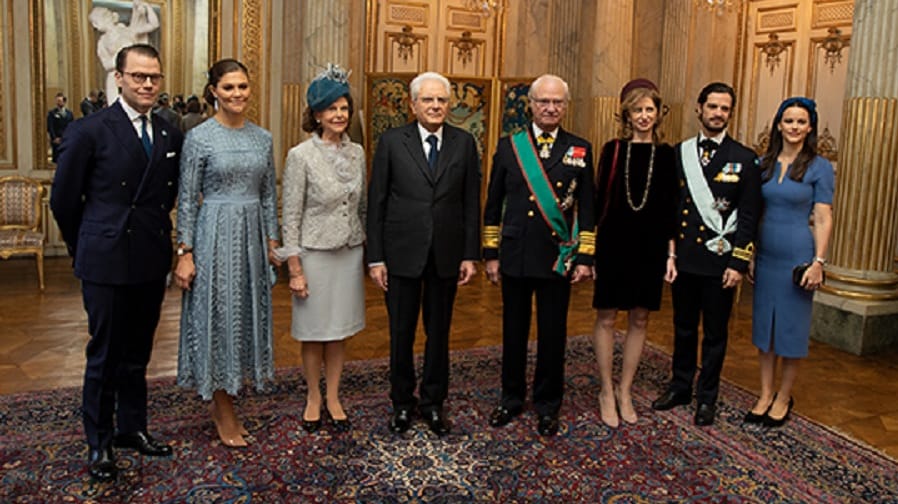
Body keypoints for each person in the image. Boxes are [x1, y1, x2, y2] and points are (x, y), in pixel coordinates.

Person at [50, 44, 181, 483]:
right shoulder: (90, 130)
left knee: (138, 352)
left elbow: (165, 197)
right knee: (104, 354)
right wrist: (85, 244)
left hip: (148, 256)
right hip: (105, 258)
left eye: (155, 78)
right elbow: (64, 200)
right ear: (119, 78)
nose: (147, 84)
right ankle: (99, 441)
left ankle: (132, 428)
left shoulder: (167, 132)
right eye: (139, 76)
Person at [367, 71, 481, 436]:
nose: (435, 106)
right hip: (400, 255)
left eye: (442, 100)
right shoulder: (391, 141)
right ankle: (402, 404)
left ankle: (433, 403)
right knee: (401, 334)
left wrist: (470, 254)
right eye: (428, 100)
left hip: (446, 256)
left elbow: (470, 203)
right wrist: (376, 257)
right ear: (413, 104)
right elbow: (377, 202)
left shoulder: (464, 143)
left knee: (439, 334)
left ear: (450, 105)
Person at [174, 58, 280, 448]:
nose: (237, 94)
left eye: (243, 87)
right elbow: (186, 199)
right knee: (218, 317)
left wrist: (272, 243)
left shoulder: (263, 138)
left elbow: (269, 194)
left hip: (252, 237)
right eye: (229, 87)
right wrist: (184, 251)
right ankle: (222, 408)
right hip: (213, 235)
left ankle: (230, 394)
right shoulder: (199, 138)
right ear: (214, 92)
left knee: (244, 316)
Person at [483, 74, 596, 436]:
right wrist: (490, 251)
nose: (550, 108)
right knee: (513, 331)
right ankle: (511, 398)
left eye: (557, 102)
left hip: (556, 257)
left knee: (553, 334)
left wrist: (585, 256)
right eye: (543, 102)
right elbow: (493, 202)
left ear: (566, 106)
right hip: (515, 253)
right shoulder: (509, 146)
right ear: (530, 104)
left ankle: (548, 403)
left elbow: (588, 206)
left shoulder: (580, 148)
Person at [651, 82, 761, 426]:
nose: (717, 113)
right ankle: (680, 386)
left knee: (715, 333)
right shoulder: (678, 153)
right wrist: (669, 255)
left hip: (720, 261)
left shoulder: (744, 159)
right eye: (712, 106)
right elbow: (670, 208)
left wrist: (739, 262)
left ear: (731, 113)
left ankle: (707, 397)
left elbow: (749, 215)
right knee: (683, 327)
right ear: (699, 108)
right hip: (685, 258)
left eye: (724, 108)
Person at [278, 64, 366, 433]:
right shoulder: (301, 156)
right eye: (332, 109)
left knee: (339, 330)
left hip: (349, 252)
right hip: (313, 255)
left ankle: (334, 395)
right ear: (317, 114)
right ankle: (313, 396)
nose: (340, 115)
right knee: (314, 331)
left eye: (344, 108)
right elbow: (290, 214)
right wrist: (294, 268)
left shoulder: (359, 153)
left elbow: (362, 206)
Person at [590, 79, 678, 428]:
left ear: (658, 114)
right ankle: (605, 391)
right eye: (637, 110)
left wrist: (671, 254)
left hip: (651, 246)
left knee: (640, 318)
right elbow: (599, 202)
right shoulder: (612, 150)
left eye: (649, 110)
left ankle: (625, 389)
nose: (644, 116)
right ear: (626, 114)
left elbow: (672, 207)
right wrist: (591, 251)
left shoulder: (668, 154)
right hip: (613, 243)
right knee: (607, 317)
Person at [745, 97, 833, 427]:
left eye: (801, 122)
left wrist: (818, 262)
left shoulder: (819, 167)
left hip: (798, 255)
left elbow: (823, 217)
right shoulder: (763, 163)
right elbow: (754, 211)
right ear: (778, 124)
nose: (794, 127)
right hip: (765, 254)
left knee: (791, 330)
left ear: (810, 127)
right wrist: (750, 254)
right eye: (789, 121)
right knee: (764, 328)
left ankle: (784, 395)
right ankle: (765, 393)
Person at [89, 0, 159, 105]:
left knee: (136, 107)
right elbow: (106, 65)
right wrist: (121, 56)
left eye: (98, 21)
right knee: (115, 111)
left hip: (134, 75)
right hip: (115, 76)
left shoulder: (128, 31)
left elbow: (154, 25)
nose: (96, 25)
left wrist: (147, 6)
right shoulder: (102, 41)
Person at [47, 92, 74, 163]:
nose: (58, 103)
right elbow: (50, 126)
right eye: (57, 101)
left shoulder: (69, 113)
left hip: (66, 138)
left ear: (64, 102)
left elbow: (71, 126)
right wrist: (54, 138)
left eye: (59, 101)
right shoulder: (52, 113)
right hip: (56, 139)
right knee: (56, 159)